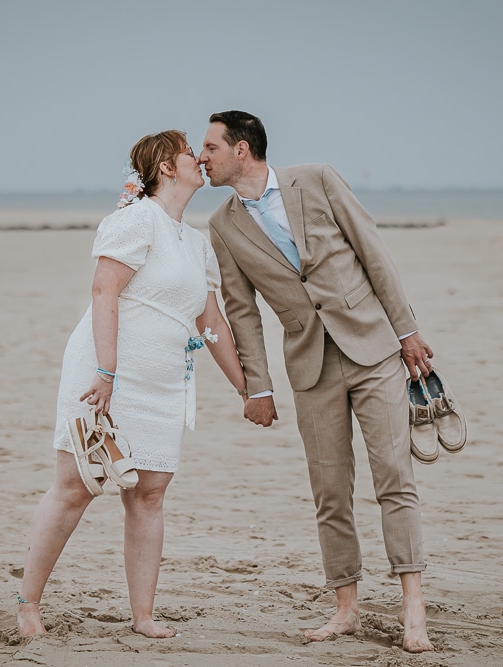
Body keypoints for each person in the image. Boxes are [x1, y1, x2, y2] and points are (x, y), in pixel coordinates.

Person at [199, 111, 436, 653]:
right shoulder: (222, 225)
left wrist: (408, 331)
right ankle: (346, 608)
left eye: (210, 146)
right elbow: (242, 311)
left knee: (394, 478)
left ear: (242, 150)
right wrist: (256, 388)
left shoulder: (319, 179)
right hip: (310, 366)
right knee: (330, 493)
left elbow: (374, 254)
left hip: (373, 346)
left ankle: (413, 607)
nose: (201, 156)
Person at [17, 130, 248, 639]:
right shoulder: (136, 219)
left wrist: (247, 390)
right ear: (166, 166)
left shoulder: (196, 241)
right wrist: (106, 373)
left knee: (149, 494)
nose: (201, 160)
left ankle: (142, 616)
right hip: (106, 373)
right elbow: (104, 290)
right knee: (75, 488)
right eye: (192, 152)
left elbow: (210, 324)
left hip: (163, 382)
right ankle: (27, 602)